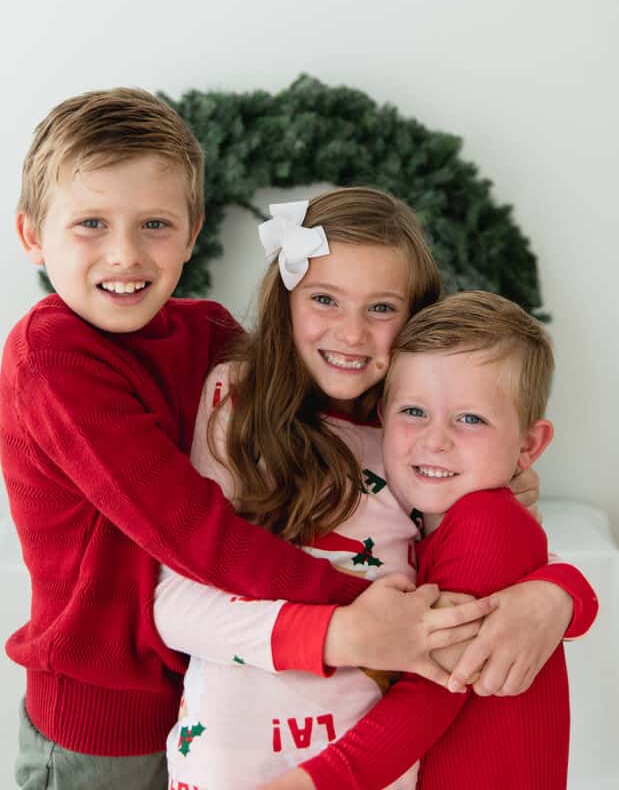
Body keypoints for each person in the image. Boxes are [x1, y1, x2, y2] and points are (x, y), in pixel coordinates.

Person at [1, 89, 496, 790]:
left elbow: (315, 387)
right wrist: (355, 607)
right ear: (31, 236)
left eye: (154, 224)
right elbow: (191, 530)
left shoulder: (202, 334)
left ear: (192, 229)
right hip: (97, 717)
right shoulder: (52, 355)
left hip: (200, 689)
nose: (125, 253)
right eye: (90, 223)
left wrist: (471, 456)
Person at [153, 196, 598, 790]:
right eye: (324, 299)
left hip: (367, 759)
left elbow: (489, 562)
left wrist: (558, 595)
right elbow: (176, 604)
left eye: (382, 307)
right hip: (229, 758)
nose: (352, 332)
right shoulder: (237, 402)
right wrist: (338, 634)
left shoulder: (418, 435)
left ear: (415, 316)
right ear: (286, 299)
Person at [267, 291, 596, 790]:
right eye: (414, 412)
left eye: (470, 419)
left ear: (528, 446)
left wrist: (316, 782)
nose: (435, 439)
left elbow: (433, 691)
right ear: (381, 417)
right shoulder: (423, 521)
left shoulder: (486, 521)